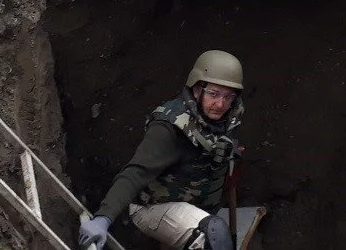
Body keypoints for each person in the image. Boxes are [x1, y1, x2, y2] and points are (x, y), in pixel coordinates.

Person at [80, 50, 244, 250]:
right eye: (214, 94)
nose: (220, 104)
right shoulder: (170, 126)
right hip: (153, 207)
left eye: (228, 97)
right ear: (197, 89)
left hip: (196, 209)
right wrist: (103, 218)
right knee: (213, 236)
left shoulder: (227, 119)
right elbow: (135, 173)